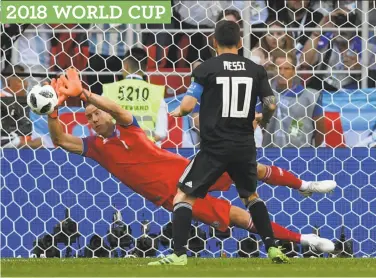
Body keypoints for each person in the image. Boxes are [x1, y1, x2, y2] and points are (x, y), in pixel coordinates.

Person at [47, 68, 335, 261]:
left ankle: (304, 185)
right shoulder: (95, 147)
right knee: (236, 217)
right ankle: (305, 240)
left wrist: (86, 94)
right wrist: (53, 108)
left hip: (188, 171)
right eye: (89, 116)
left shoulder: (128, 127)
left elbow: (119, 109)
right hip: (173, 199)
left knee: (249, 170)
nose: (94, 119)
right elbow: (60, 139)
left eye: (97, 113)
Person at [153, 20, 288, 265]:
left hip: (214, 147)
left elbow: (188, 104)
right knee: (251, 197)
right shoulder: (255, 70)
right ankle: (273, 249)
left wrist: (178, 113)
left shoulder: (206, 68)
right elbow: (270, 104)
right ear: (240, 42)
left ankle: (179, 255)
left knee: (183, 196)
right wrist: (262, 120)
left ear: (214, 42)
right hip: (244, 146)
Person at [102, 47, 168, 145]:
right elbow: (161, 133)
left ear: (125, 66)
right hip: (147, 151)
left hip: (117, 150)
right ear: (145, 68)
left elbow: (100, 126)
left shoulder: (110, 90)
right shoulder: (156, 92)